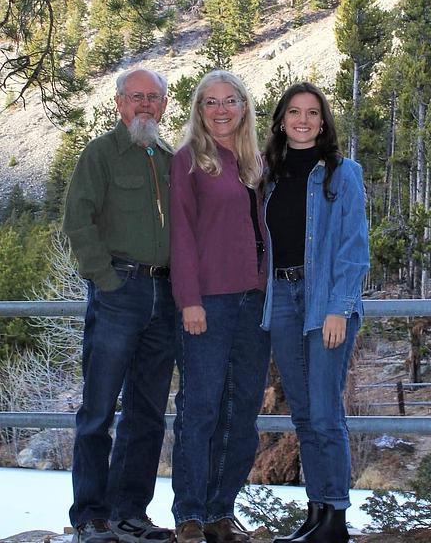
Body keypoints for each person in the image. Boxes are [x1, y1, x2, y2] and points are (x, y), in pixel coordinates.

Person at [63, 68, 176, 543]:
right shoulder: (101, 154)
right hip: (118, 291)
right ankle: (91, 516)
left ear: (164, 105)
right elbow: (77, 219)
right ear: (118, 103)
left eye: (153, 97)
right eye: (136, 97)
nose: (145, 105)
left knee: (148, 411)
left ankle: (129, 514)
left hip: (165, 297)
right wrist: (105, 280)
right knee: (99, 408)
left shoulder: (170, 159)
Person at [261, 82, 369, 543]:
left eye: (311, 112)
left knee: (325, 412)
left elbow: (354, 247)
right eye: (294, 112)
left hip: (325, 300)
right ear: (282, 120)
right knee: (303, 415)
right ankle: (316, 512)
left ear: (323, 122)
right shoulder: (267, 174)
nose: (302, 120)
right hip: (281, 298)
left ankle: (336, 519)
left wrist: (339, 308)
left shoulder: (343, 174)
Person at [169, 70, 270, 543]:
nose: (221, 109)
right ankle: (190, 514)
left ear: (244, 107)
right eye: (211, 102)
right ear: (199, 110)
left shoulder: (257, 162)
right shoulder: (189, 160)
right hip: (208, 301)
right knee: (201, 408)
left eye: (230, 100)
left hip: (256, 302)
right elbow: (181, 235)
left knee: (243, 410)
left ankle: (221, 513)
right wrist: (189, 300)